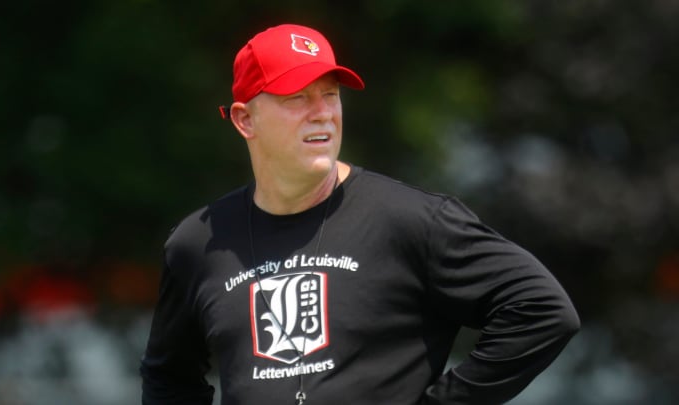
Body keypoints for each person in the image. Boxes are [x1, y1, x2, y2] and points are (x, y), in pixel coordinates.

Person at [140, 23, 580, 405]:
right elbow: (169, 379)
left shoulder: (412, 221)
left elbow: (542, 311)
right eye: (297, 97)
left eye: (330, 95)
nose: (322, 114)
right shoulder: (198, 242)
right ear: (245, 119)